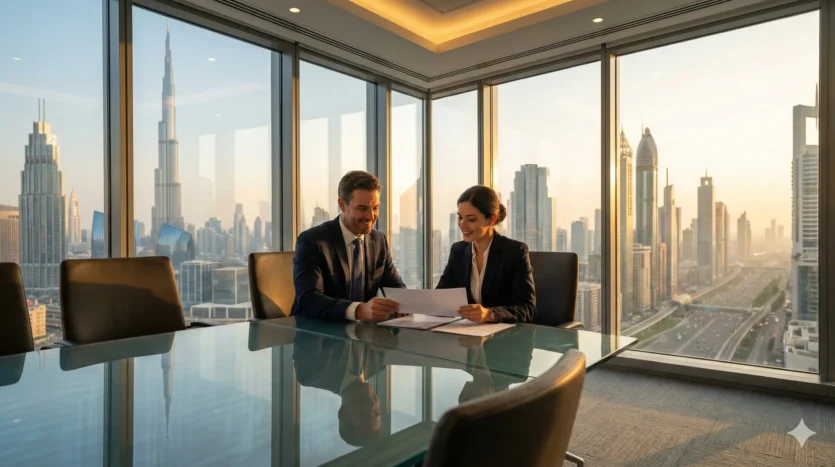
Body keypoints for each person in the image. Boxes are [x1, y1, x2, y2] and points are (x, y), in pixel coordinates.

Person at [293, 171, 405, 321]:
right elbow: (308, 300)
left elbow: (395, 287)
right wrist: (358, 310)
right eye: (362, 208)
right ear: (342, 205)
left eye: (375, 208)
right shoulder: (313, 241)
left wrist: (406, 305)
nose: (371, 216)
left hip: (362, 335)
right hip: (317, 334)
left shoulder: (378, 240)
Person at [437, 185, 536, 323]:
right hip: (468, 336)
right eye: (460, 217)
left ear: (491, 219)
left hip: (506, 338)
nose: (462, 225)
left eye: (471, 219)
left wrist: (490, 314)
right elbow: (441, 296)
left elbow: (527, 309)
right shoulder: (458, 251)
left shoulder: (514, 252)